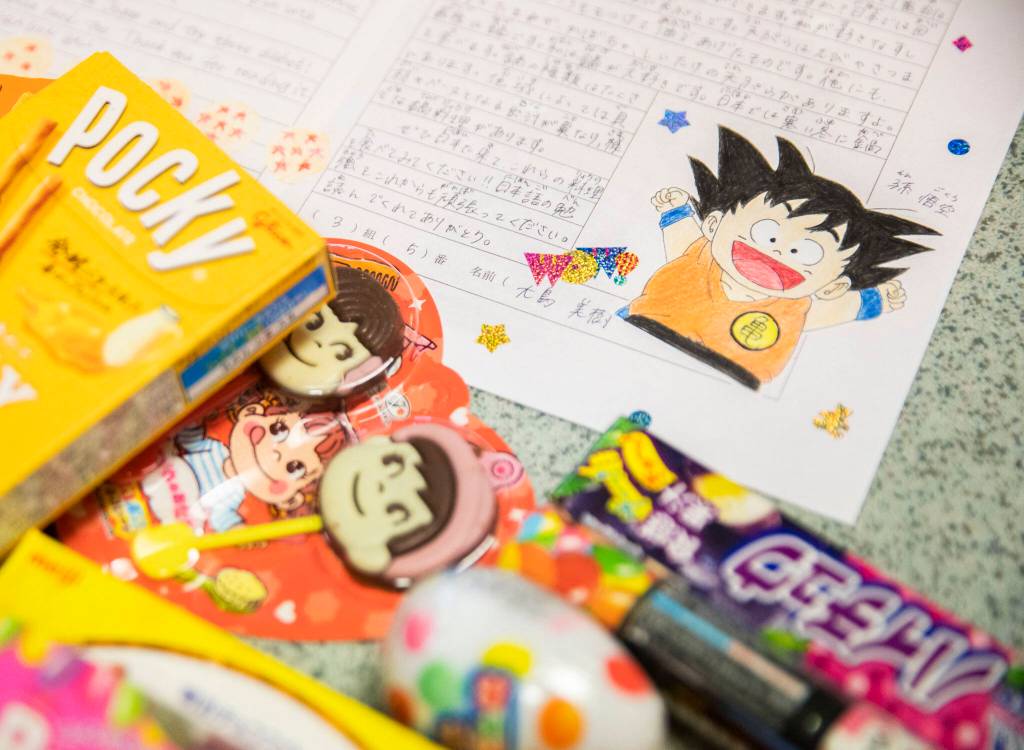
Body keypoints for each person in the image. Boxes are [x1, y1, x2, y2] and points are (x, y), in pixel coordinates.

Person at [626, 127, 938, 389]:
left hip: (729, 378)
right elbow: (681, 243)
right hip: (641, 331)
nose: (776, 252)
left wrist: (874, 300)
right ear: (713, 225)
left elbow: (834, 310)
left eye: (806, 252)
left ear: (833, 286)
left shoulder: (792, 308)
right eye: (767, 233)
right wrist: (677, 212)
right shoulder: (698, 257)